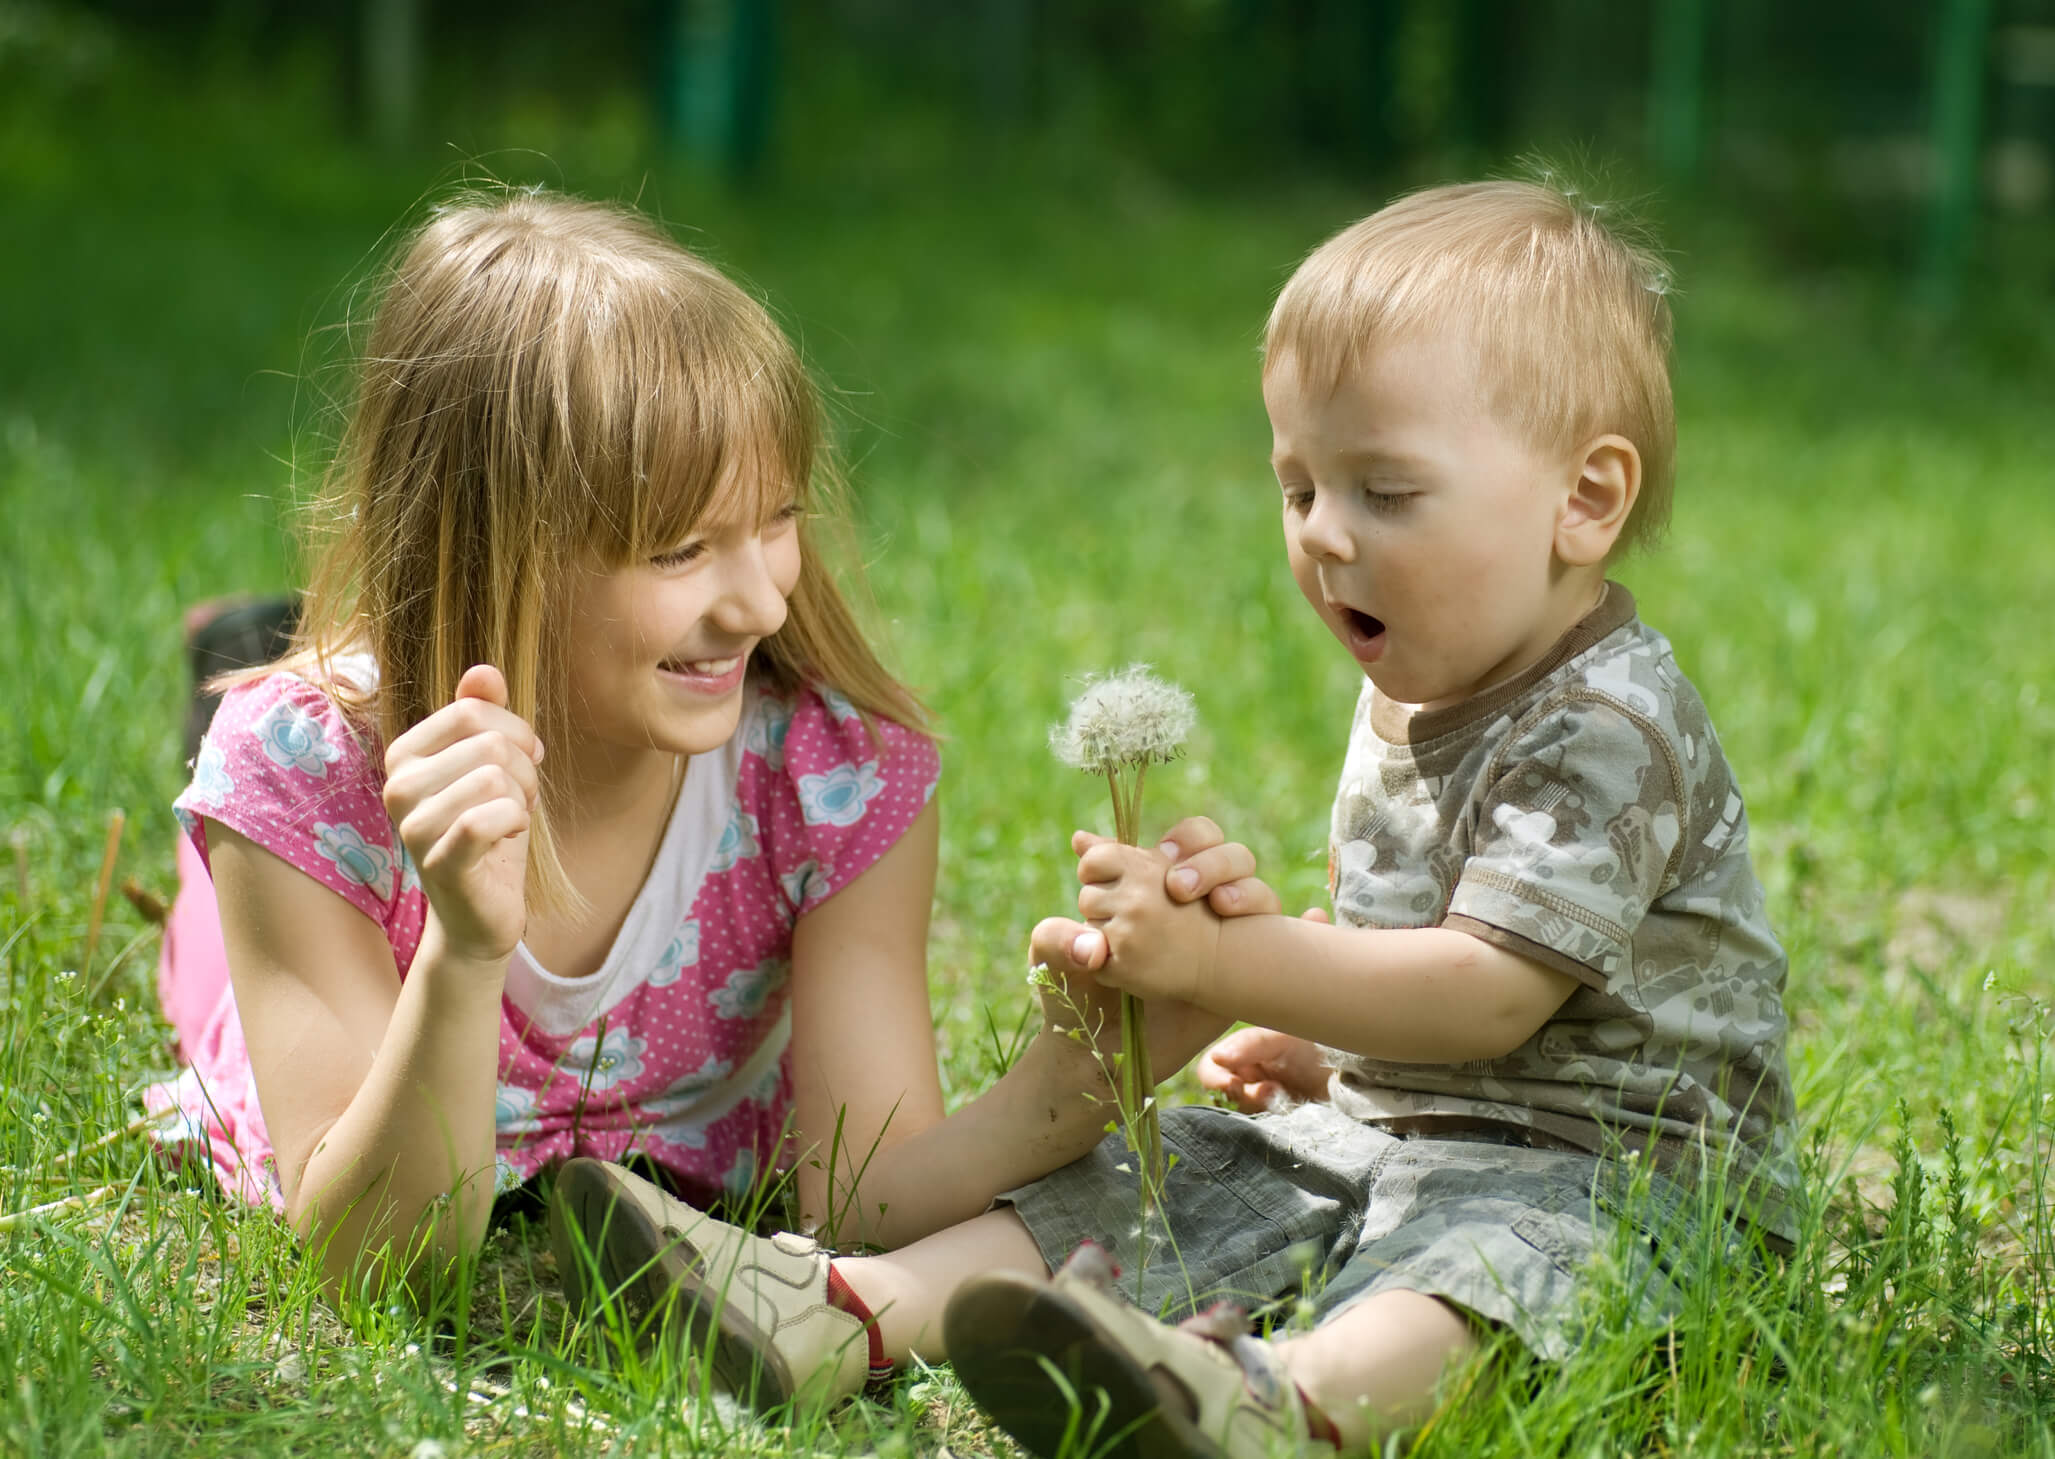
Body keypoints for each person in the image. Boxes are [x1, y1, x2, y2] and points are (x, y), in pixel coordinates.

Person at [552, 178, 1800, 1455]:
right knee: (1180, 1163)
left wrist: (1229, 960)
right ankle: (845, 1308)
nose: (1323, 536)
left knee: (1486, 1260)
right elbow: (1428, 982)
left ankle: (1284, 1400)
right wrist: (1325, 1056)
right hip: (1411, 1134)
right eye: (1300, 485)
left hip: (1631, 1181)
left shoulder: (1606, 724)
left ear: (1584, 499)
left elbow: (1489, 993)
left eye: (1386, 491)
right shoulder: (1425, 682)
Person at [144, 189, 1254, 1299]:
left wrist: (1091, 1073)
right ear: (490, 549)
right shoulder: (305, 776)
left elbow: (864, 1196)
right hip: (335, 862)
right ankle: (256, 654)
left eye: (776, 520)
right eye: (680, 551)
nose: (762, 606)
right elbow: (376, 1265)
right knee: (212, 945)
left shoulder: (824, 776)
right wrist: (463, 952)